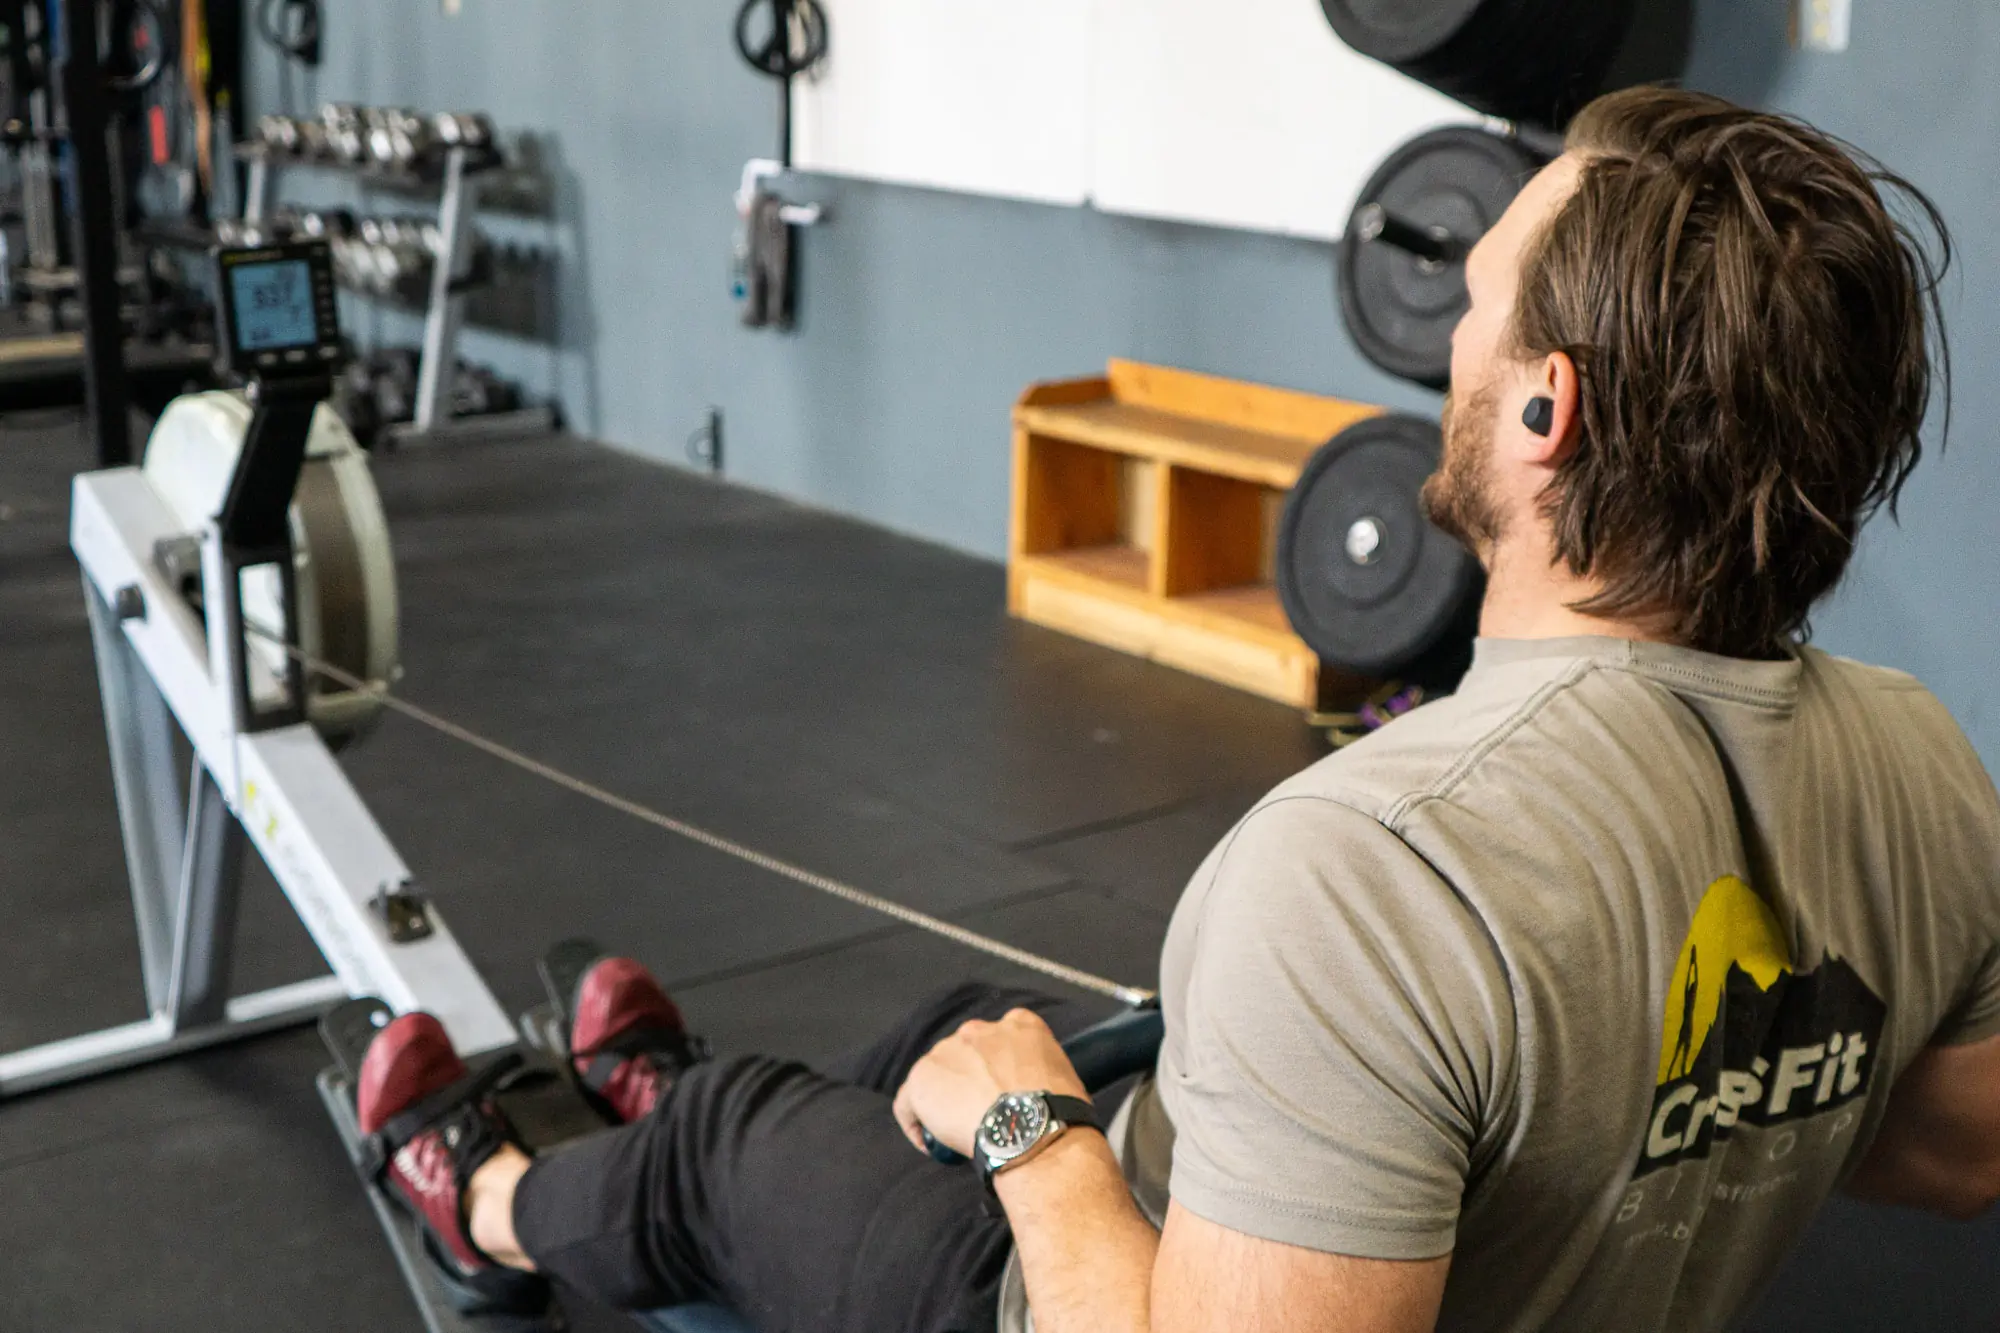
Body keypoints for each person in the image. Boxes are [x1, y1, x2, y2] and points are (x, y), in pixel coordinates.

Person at [350, 86, 2000, 1333]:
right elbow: (1960, 1156)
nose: (1449, 347)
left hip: (1063, 1296)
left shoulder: (1373, 866)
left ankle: (488, 1203)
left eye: (1477, 309)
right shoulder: (1923, 759)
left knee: (745, 1127)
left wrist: (1038, 1142)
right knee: (960, 1017)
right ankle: (649, 1145)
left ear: (1545, 413)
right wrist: (1674, 1092)